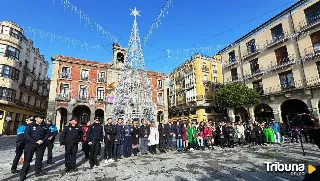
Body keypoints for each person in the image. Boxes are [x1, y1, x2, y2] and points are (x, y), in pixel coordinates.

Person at [19, 115, 50, 181]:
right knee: (27, 159)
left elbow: (47, 134)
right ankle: (23, 174)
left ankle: (38, 172)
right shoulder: (30, 125)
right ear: (36, 118)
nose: (41, 120)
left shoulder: (45, 126)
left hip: (41, 144)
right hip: (31, 144)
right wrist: (35, 141)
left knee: (39, 158)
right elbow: (27, 135)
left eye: (42, 118)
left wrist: (42, 140)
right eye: (40, 118)